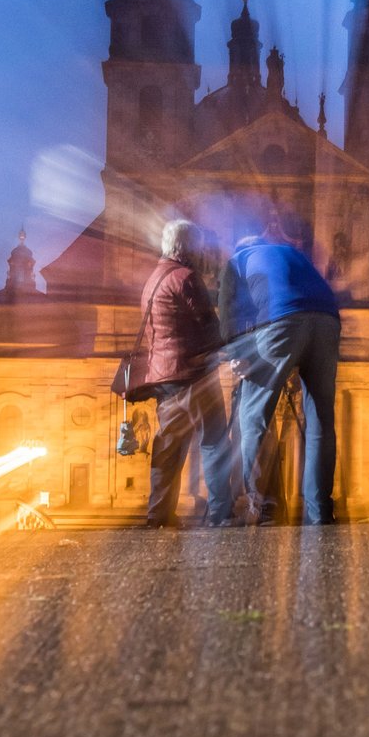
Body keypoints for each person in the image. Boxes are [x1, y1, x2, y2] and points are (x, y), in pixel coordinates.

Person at [219, 226, 342, 525]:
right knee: (321, 418)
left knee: (252, 416)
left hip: (282, 320)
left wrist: (237, 355)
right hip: (328, 321)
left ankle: (261, 507)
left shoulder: (237, 260)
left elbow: (226, 312)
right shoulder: (291, 253)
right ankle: (320, 510)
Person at [133, 219, 238, 528]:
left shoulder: (154, 278)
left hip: (163, 377)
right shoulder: (185, 277)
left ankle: (159, 514)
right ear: (188, 247)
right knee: (215, 441)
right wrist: (229, 345)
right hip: (192, 374)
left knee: (168, 446)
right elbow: (208, 323)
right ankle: (221, 513)